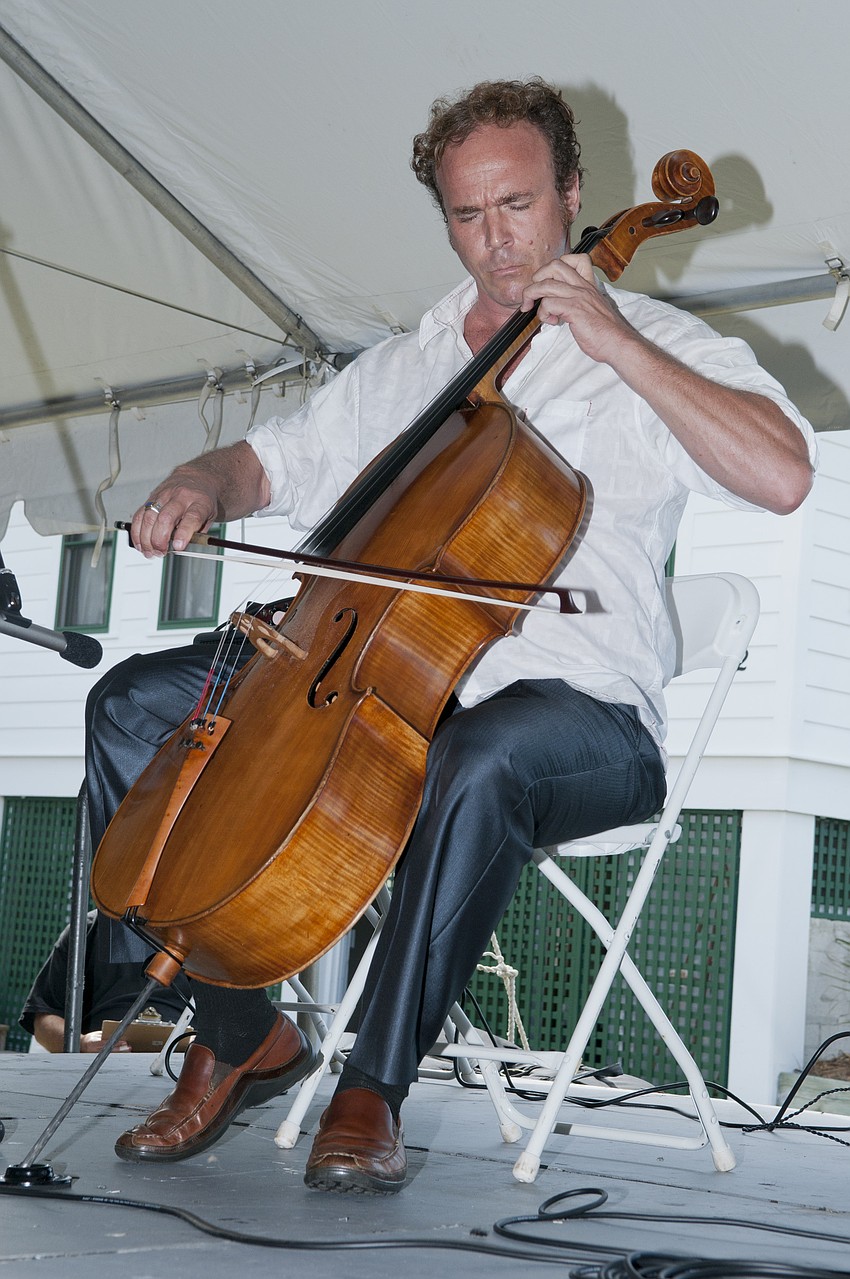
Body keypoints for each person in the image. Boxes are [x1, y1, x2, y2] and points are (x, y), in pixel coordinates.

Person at [84, 78, 816, 1191]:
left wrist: (615, 339)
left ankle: (372, 1085)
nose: (496, 240)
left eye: (517, 206)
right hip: (377, 682)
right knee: (132, 706)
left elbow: (782, 473)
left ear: (571, 194)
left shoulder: (657, 344)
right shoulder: (407, 364)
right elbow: (271, 463)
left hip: (579, 716)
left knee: (478, 756)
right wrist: (201, 481)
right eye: (468, 215)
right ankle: (238, 1032)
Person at [20, 911, 192, 1053]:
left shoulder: (198, 934)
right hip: (98, 1063)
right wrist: (81, 1043)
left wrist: (198, 1044)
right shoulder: (84, 930)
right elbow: (43, 1020)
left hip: (182, 1066)